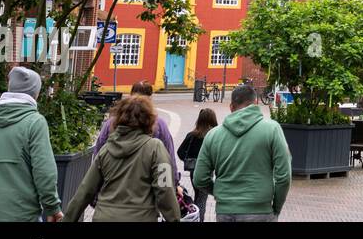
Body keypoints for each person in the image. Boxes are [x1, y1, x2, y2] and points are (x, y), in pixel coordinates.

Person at [63, 94, 180, 222]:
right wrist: (174, 219)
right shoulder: (155, 148)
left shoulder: (106, 150)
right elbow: (165, 190)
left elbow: (85, 191)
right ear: (149, 119)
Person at [0, 67, 63, 222]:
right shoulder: (35, 122)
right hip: (23, 215)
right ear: (35, 94)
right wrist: (52, 208)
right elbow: (44, 172)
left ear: (10, 88)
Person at [192, 83, 291, 222]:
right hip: (260, 211)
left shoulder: (213, 135)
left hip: (225, 212)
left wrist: (221, 193)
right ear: (255, 102)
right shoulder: (272, 129)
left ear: (231, 107)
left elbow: (199, 178)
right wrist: (276, 208)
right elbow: (284, 176)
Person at [92, 80, 178, 186]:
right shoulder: (159, 125)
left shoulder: (111, 123)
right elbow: (168, 158)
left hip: (112, 186)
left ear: (130, 96)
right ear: (150, 98)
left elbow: (98, 154)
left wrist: (97, 191)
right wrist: (172, 185)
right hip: (146, 190)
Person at [177, 108, 218, 221]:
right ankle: (198, 218)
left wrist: (188, 160)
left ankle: (194, 215)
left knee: (198, 196)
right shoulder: (213, 135)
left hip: (193, 171)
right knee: (201, 199)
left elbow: (180, 152)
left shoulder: (192, 135)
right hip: (206, 171)